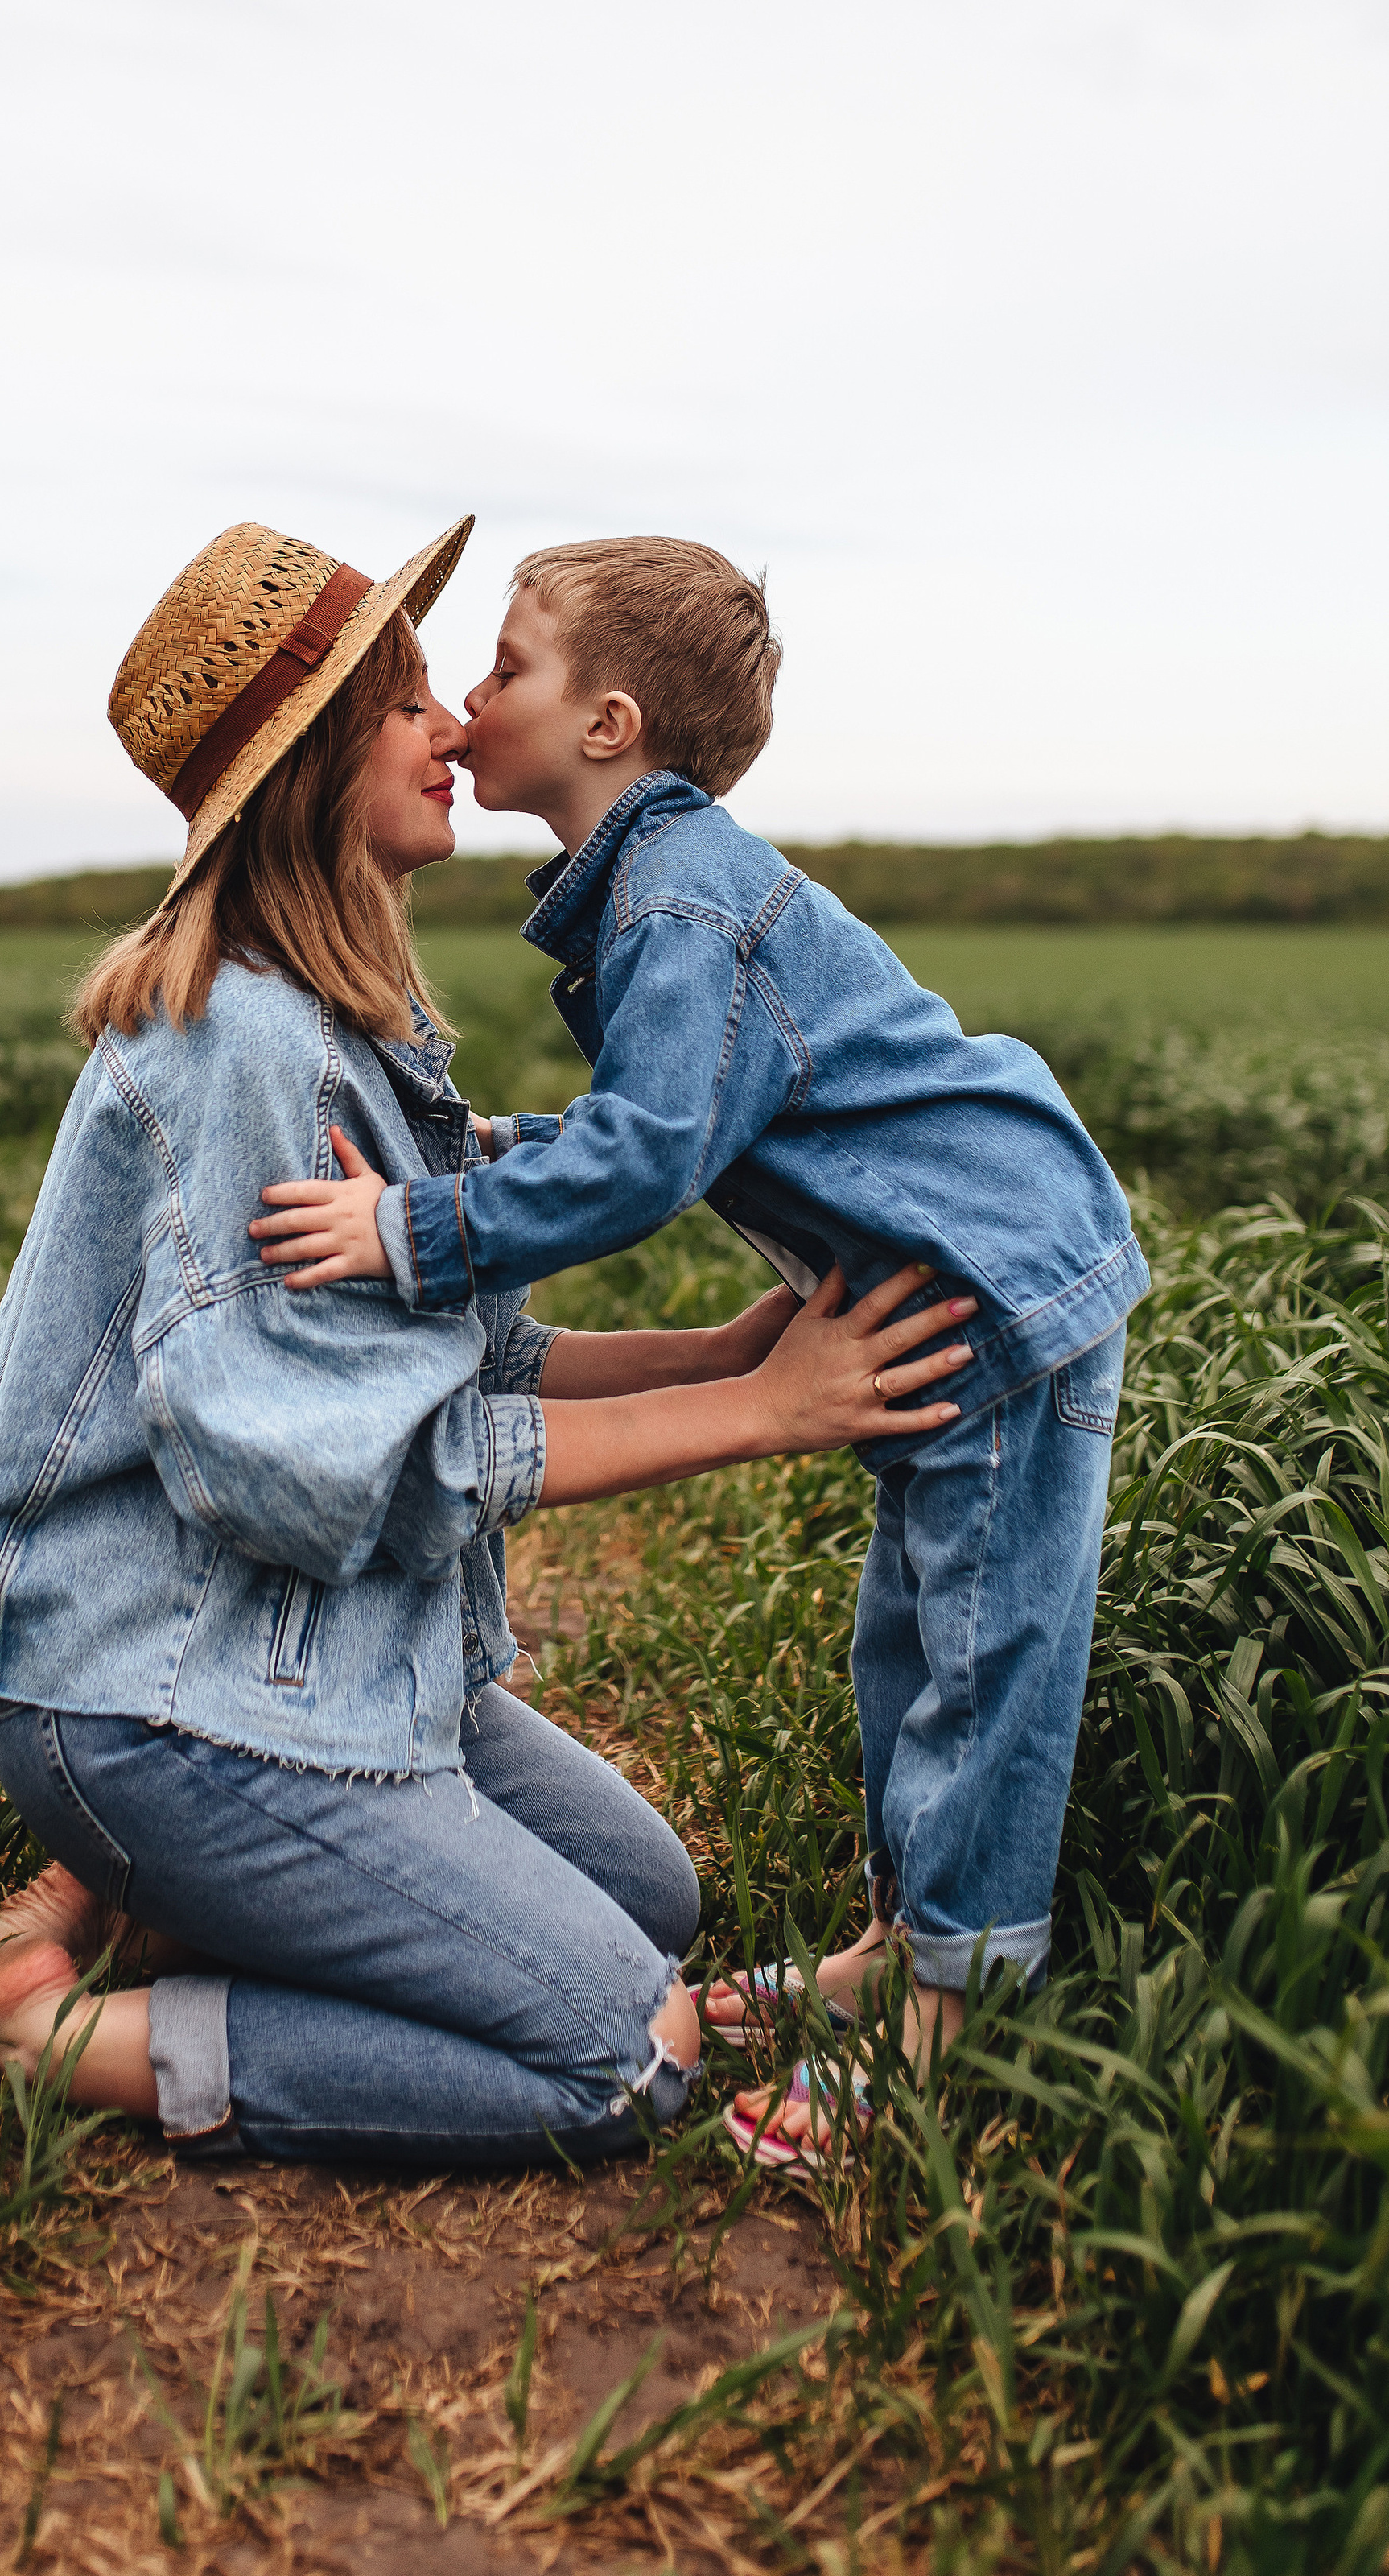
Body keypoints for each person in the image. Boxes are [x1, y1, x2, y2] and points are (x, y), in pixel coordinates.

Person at [0, 516, 971, 2167]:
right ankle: (39, 2038)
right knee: (624, 2058)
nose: (451, 723)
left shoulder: (337, 1032)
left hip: (308, 1661)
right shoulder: (243, 1049)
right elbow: (356, 1464)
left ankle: (122, 1904)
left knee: (650, 1899)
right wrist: (763, 1414)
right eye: (400, 703)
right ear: (310, 764)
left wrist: (715, 1351)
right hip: (171, 1697)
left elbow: (462, 1359)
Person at [250, 535, 1148, 2165]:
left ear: (604, 724)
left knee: (981, 1652)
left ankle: (957, 2014)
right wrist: (464, 1164)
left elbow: (647, 1151)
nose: (466, 698)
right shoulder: (661, 888)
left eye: (503, 667)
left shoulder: (676, 895)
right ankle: (897, 1955)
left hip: (996, 1278)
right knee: (914, 1640)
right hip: (944, 1271)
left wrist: (415, 1233)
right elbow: (653, 1118)